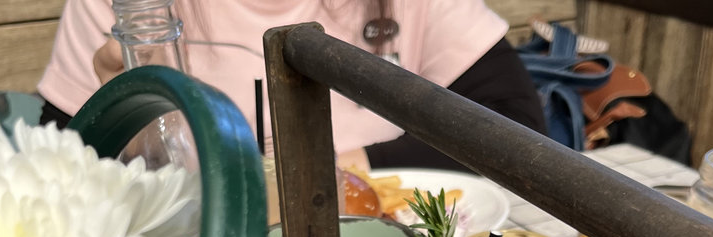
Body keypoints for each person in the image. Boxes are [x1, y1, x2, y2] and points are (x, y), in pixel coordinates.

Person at [37, 0, 546, 171]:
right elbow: (54, 173)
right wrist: (123, 132)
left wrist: (332, 175)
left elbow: (518, 130)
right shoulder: (127, 10)